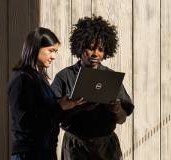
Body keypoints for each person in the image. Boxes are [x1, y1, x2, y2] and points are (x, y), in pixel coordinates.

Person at [51, 16, 134, 160]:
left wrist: (117, 110)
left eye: (100, 49)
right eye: (90, 48)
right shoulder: (64, 77)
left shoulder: (110, 77)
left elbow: (122, 119)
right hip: (75, 147)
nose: (95, 53)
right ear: (80, 47)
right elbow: (50, 115)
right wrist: (72, 106)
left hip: (106, 147)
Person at [8, 27, 86, 160]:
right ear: (35, 48)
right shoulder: (22, 78)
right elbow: (25, 122)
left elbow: (49, 117)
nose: (54, 57)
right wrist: (59, 106)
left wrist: (72, 105)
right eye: (51, 51)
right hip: (29, 153)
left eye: (55, 51)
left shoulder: (39, 77)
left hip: (45, 151)